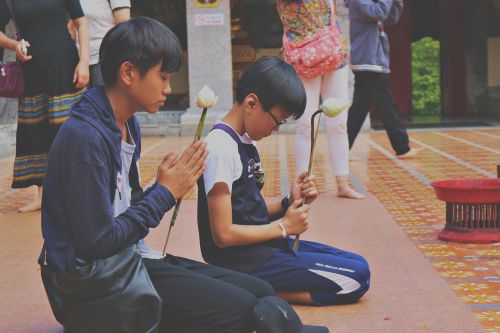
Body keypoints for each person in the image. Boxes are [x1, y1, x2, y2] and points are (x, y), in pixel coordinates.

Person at [40, 17, 326, 332]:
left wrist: (157, 190)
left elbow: (124, 209)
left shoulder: (128, 124)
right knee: (245, 311)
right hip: (94, 283)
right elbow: (97, 243)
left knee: (259, 290)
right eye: (163, 77)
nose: (168, 88)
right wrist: (164, 193)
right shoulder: (86, 138)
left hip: (129, 259)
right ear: (128, 73)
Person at [197, 56, 370, 306]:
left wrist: (289, 201)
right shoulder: (220, 147)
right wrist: (284, 227)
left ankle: (252, 285)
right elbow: (222, 234)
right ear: (252, 103)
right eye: (278, 119)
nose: (276, 129)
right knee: (354, 279)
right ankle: (252, 289)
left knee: (359, 265)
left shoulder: (243, 140)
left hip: (263, 248)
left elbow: (246, 211)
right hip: (242, 261)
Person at [0, 0, 90, 212]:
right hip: (31, 71)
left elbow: (81, 23)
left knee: (70, 131)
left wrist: (84, 61)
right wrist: (14, 45)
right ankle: (43, 196)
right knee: (36, 132)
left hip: (66, 67)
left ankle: (76, 193)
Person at [277, 0, 364, 199]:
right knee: (306, 125)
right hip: (302, 57)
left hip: (333, 52)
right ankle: (303, 186)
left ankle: (342, 183)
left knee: (339, 123)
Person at [347, 0, 417, 159]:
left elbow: (390, 17)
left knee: (358, 110)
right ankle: (402, 148)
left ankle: (342, 148)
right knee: (387, 105)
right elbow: (378, 13)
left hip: (371, 60)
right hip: (368, 59)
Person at [69, 0, 131, 87]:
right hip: (78, 60)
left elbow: (123, 26)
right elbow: (72, 26)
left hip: (104, 58)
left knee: (103, 98)